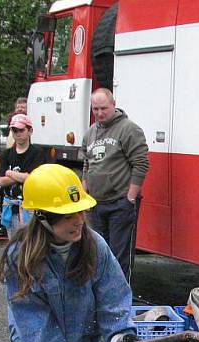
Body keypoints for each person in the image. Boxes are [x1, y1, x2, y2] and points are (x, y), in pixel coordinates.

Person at [0, 163, 139, 342]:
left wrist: (121, 338)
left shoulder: (95, 245)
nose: (79, 220)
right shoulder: (21, 257)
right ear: (42, 216)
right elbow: (35, 323)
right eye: (68, 215)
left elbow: (113, 299)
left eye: (80, 211)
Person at [81, 88, 149, 285]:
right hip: (96, 203)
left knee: (119, 258)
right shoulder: (90, 133)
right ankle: (103, 297)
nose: (100, 113)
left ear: (113, 105)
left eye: (103, 108)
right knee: (99, 254)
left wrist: (131, 197)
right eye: (95, 109)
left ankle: (121, 297)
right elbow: (87, 163)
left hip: (120, 202)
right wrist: (84, 191)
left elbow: (141, 163)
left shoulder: (129, 129)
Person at [0, 113, 47, 237]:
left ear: (30, 131)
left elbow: (32, 178)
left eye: (21, 130)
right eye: (14, 130)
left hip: (31, 208)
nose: (17, 134)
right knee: (13, 245)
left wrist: (10, 173)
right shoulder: (6, 154)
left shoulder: (37, 153)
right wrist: (20, 176)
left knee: (31, 243)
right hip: (10, 207)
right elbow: (0, 181)